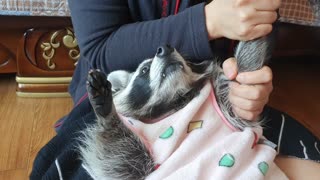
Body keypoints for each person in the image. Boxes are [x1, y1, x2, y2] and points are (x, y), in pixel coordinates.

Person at [30, 0, 320, 179]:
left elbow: (252, 41)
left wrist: (248, 88)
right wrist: (208, 22)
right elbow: (102, 48)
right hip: (129, 106)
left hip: (209, 97)